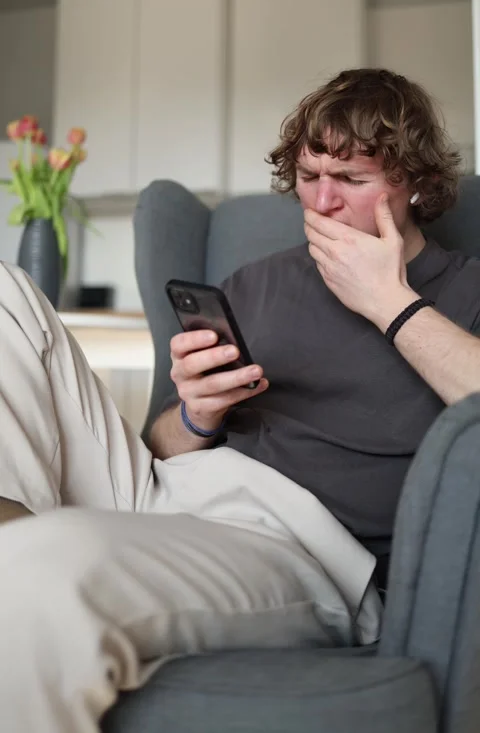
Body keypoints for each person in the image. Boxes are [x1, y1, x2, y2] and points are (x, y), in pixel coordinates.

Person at [1, 68, 480, 733]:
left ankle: (27, 557)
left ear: (418, 185)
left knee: (34, 571)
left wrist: (389, 302)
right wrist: (197, 413)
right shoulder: (255, 282)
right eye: (310, 176)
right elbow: (160, 446)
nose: (323, 202)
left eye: (352, 179)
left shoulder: (465, 293)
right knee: (5, 292)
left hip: (300, 545)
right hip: (176, 492)